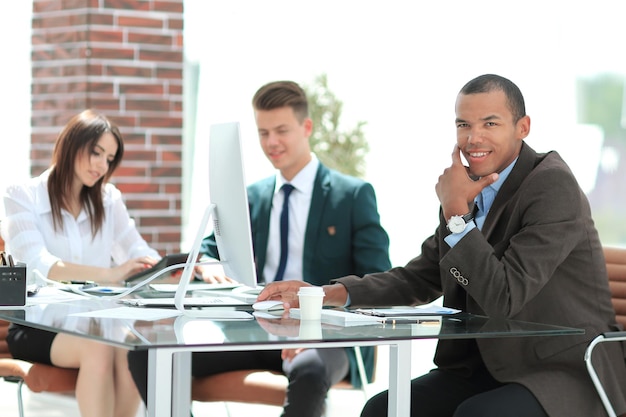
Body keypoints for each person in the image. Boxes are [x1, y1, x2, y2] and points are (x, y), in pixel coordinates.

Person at [256, 74, 626, 417]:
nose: (473, 138)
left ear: (523, 128)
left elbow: (505, 297)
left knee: (475, 415)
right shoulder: (467, 189)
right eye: (464, 124)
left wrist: (455, 213)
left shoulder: (550, 185)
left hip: (562, 371)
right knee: (380, 410)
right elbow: (420, 277)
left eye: (490, 124)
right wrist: (326, 293)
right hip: (483, 367)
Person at [128, 80, 391, 417]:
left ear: (306, 127)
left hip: (326, 332)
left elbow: (377, 278)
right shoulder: (252, 197)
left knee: (309, 370)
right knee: (147, 352)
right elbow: (211, 247)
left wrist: (320, 324)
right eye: (263, 132)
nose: (271, 142)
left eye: (281, 130)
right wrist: (209, 263)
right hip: (257, 325)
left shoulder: (352, 195)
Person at [1, 109, 160, 417]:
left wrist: (178, 268)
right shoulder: (22, 195)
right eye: (96, 152)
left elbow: (139, 252)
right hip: (37, 327)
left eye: (110, 159)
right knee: (98, 347)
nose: (102, 165)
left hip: (97, 324)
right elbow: (38, 265)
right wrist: (111, 274)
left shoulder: (109, 199)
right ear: (72, 144)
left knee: (133, 348)